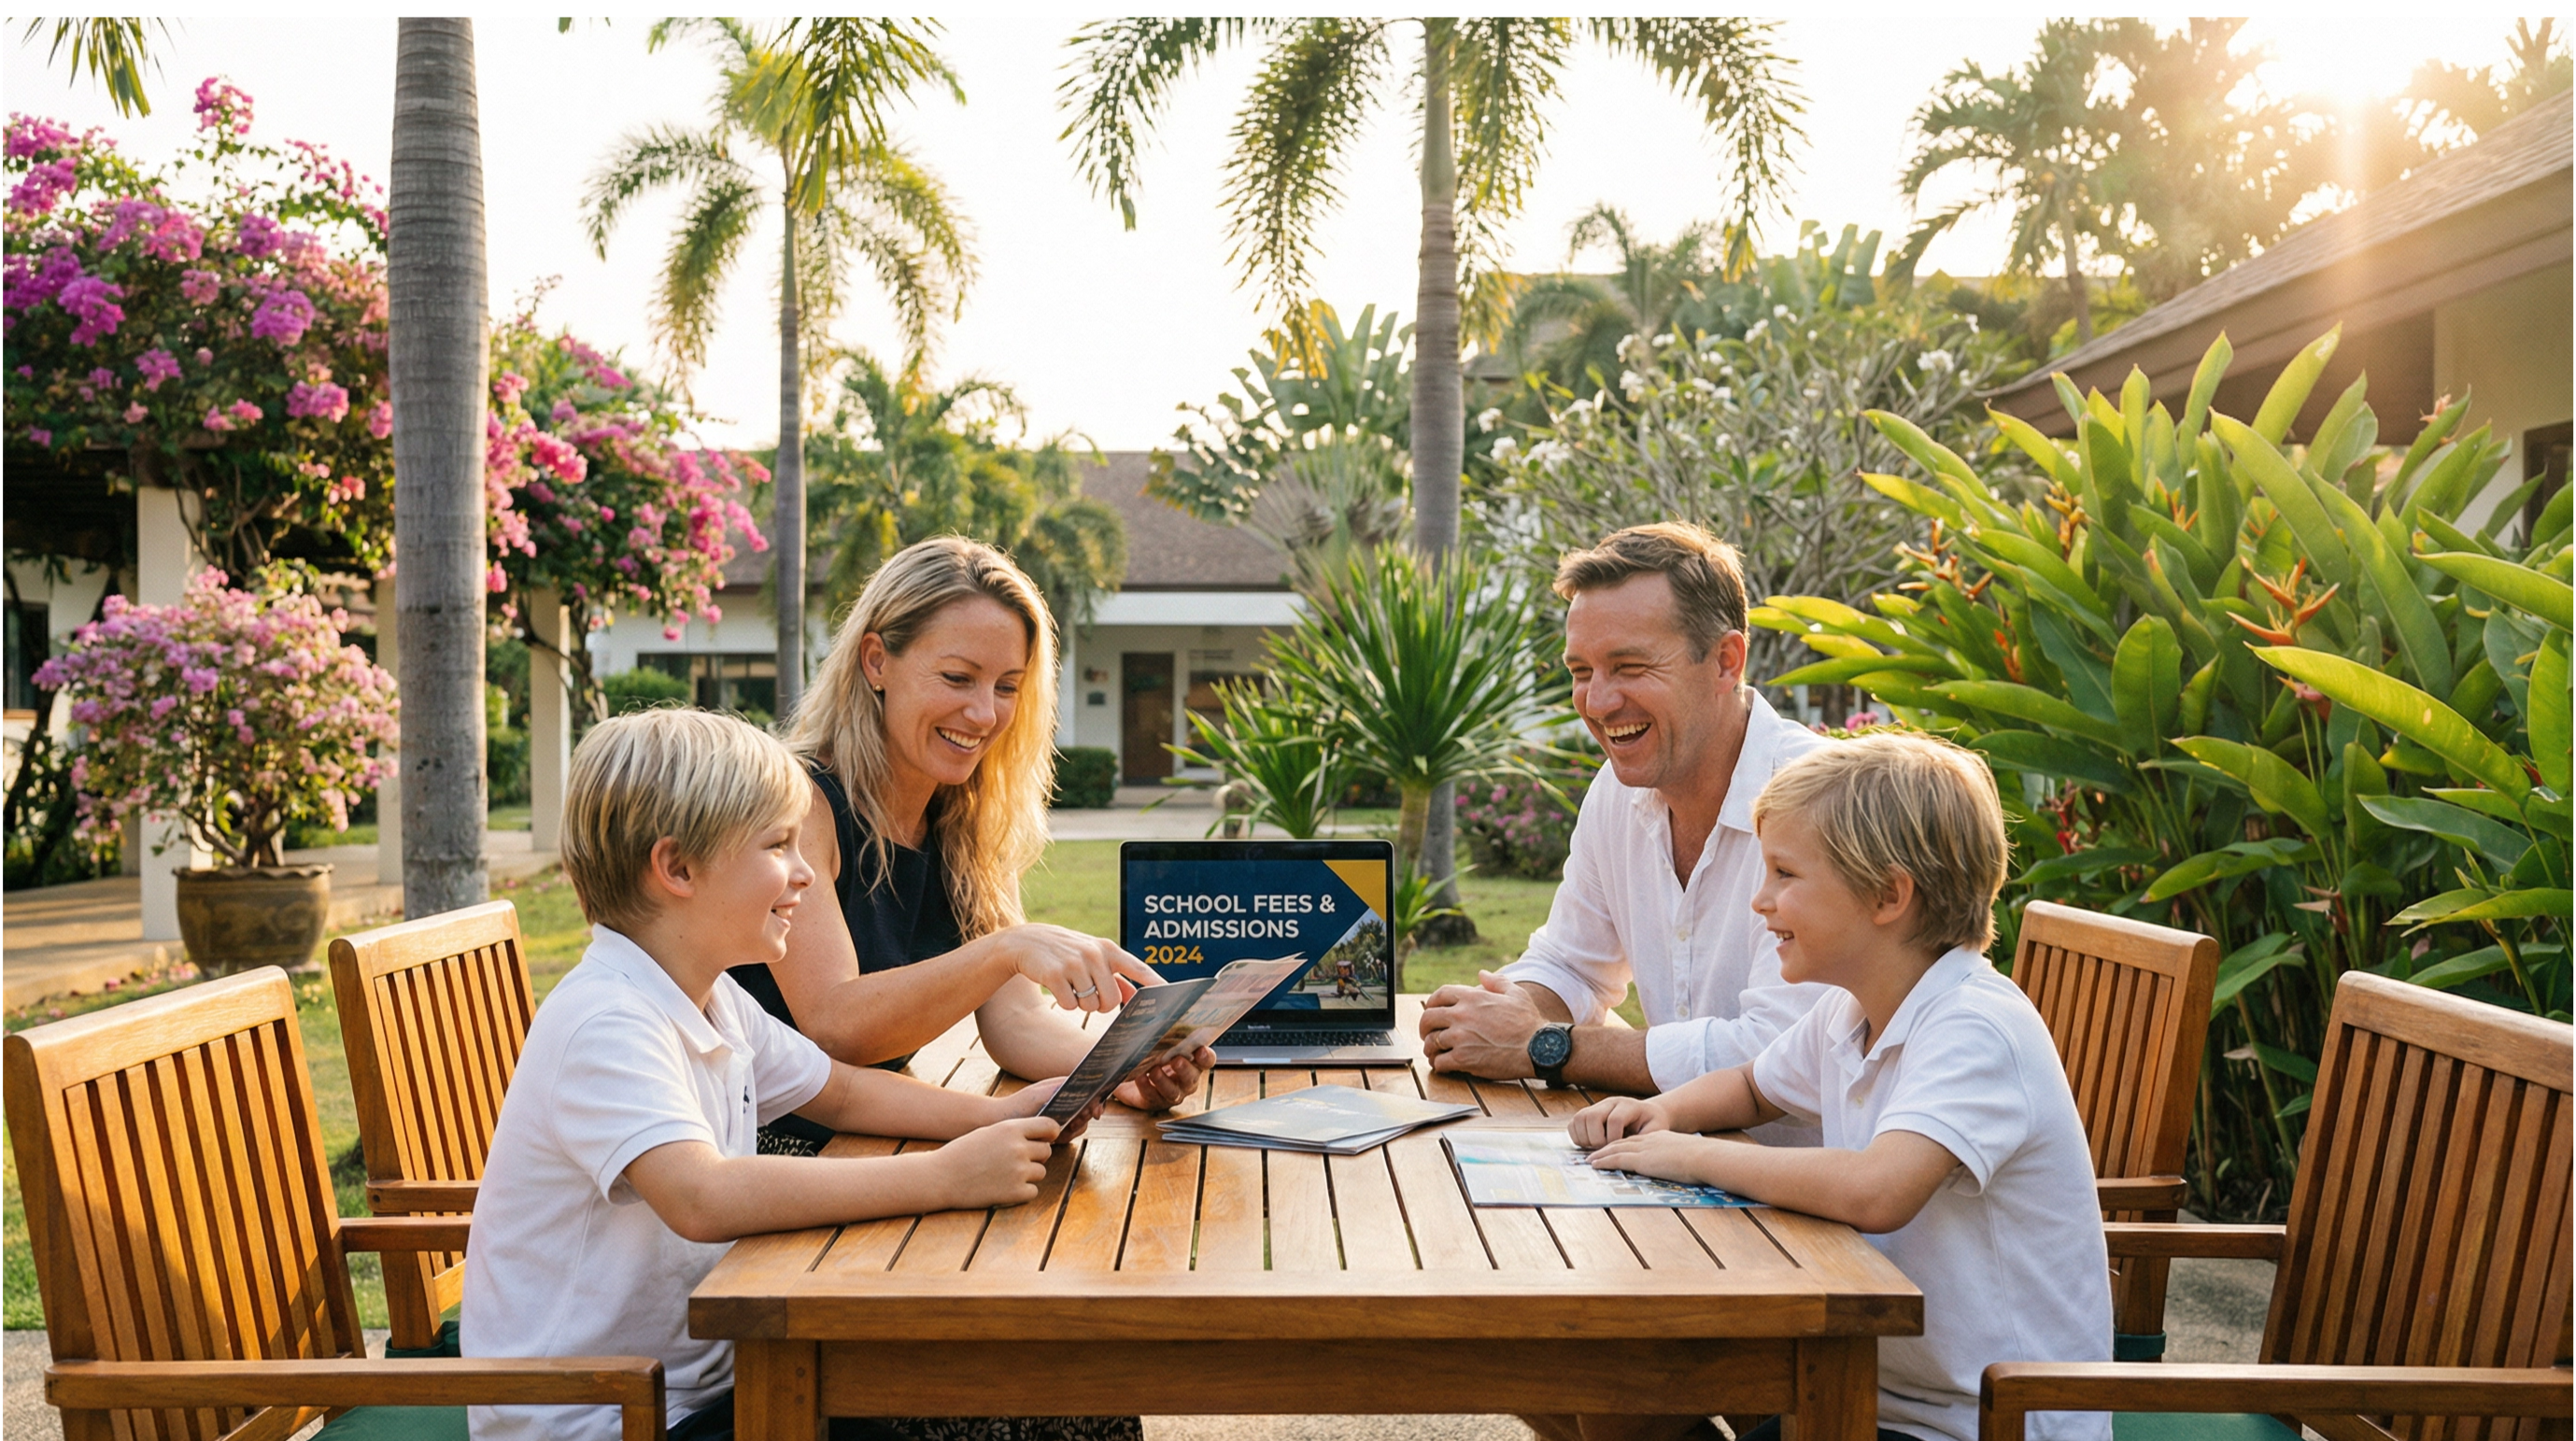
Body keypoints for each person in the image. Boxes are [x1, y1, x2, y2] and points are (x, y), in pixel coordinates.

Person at [461, 709, 1076, 1441]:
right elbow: (703, 1194)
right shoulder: (606, 1021)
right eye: (779, 845)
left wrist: (1003, 1117)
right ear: (678, 868)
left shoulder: (713, 998)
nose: (807, 872)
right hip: (604, 1416)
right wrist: (946, 1176)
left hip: (690, 1391)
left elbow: (841, 1091)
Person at [1561, 734, 2113, 1441]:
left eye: (1785, 873)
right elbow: (1753, 1087)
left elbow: (1875, 1190)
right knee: (1622, 1393)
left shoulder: (1976, 1025)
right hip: (1874, 1392)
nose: (1761, 900)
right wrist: (1658, 1112)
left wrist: (1690, 1155)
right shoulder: (1851, 1008)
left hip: (1988, 1423)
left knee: (1628, 1393)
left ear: (1889, 894)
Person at [745, 537, 1210, 1159]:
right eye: (958, 677)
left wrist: (1127, 1069)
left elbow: (1016, 1022)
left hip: (887, 1139)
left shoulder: (966, 818)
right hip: (770, 1154)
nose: (985, 712)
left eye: (1008, 686)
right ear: (876, 661)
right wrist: (1008, 948)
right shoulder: (800, 803)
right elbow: (835, 1027)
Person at [1419, 523, 1829, 1109]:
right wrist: (1486, 1013)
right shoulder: (1618, 789)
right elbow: (1572, 965)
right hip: (1679, 1173)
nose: (1599, 701)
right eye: (1581, 671)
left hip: (1798, 1186)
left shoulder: (1822, 802)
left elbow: (1779, 1057)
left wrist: (1542, 1046)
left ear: (1725, 661)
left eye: (1629, 667)